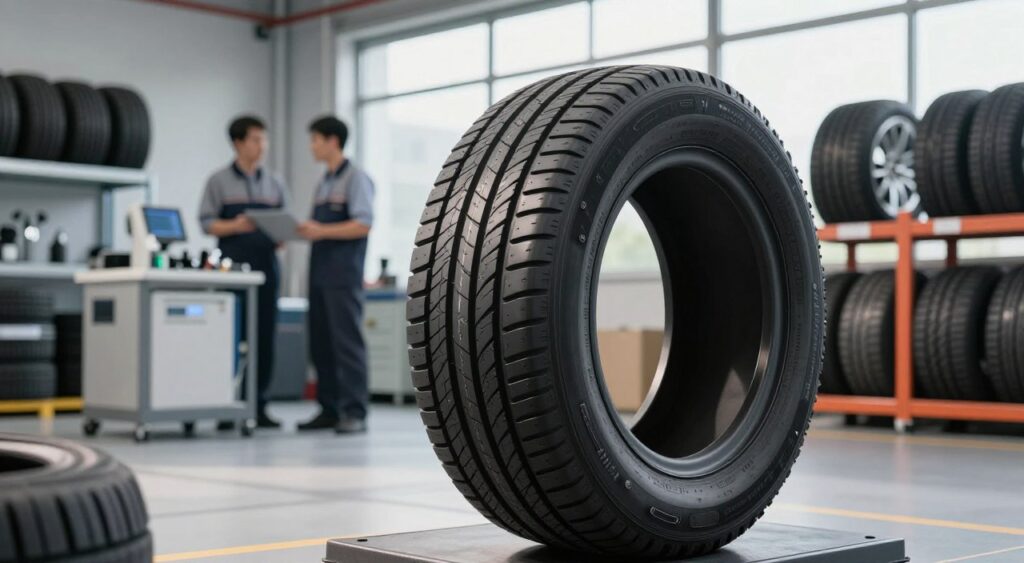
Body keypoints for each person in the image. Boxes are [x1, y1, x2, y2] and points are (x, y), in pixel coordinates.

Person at [198, 115, 288, 429]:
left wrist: (281, 234)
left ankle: (258, 406)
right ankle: (226, 405)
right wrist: (235, 225)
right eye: (255, 139)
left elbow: (285, 223)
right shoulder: (218, 181)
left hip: (267, 266)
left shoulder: (274, 182)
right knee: (228, 336)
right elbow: (207, 222)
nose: (261, 146)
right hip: (231, 266)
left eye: (264, 139)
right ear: (238, 143)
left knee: (264, 337)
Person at [296, 116, 374, 434]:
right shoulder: (324, 182)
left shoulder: (357, 178)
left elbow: (363, 223)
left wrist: (322, 229)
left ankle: (354, 411)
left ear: (332, 141)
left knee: (347, 343)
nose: (311, 146)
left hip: (343, 274)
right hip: (319, 272)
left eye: (315, 139)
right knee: (321, 343)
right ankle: (328, 408)